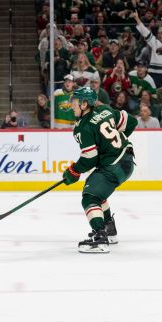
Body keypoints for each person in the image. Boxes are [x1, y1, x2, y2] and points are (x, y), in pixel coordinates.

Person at [62, 86, 137, 253]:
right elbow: (132, 122)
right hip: (127, 159)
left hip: (114, 165)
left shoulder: (82, 127)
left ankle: (100, 237)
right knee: (96, 190)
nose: (71, 105)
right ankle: (109, 229)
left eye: (74, 102)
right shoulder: (105, 109)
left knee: (89, 198)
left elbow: (90, 158)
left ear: (84, 104)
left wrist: (74, 170)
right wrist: (113, 144)